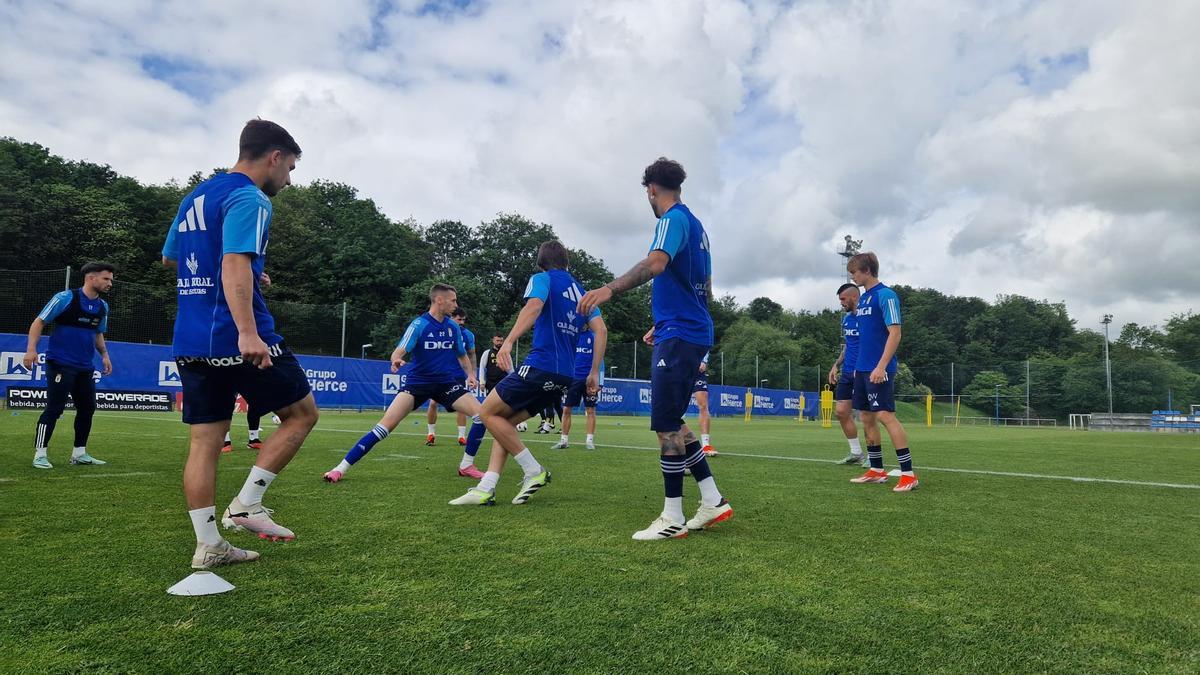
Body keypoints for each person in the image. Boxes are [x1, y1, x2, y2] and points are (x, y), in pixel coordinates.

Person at [163, 118, 320, 570]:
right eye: (289, 168)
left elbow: (173, 256)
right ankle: (247, 504)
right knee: (301, 414)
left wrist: (249, 271)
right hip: (237, 334)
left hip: (190, 337)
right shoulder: (249, 197)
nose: (288, 180)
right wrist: (248, 331)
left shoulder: (196, 195)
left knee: (204, 441)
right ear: (274, 157)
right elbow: (232, 263)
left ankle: (208, 545)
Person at [578, 157, 732, 540]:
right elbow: (705, 286)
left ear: (651, 189)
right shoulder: (697, 227)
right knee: (675, 422)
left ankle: (672, 518)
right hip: (685, 329)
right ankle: (713, 501)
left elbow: (656, 264)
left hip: (681, 334)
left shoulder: (671, 221)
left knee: (665, 426)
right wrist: (663, 321)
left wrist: (608, 289)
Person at [450, 241, 605, 506]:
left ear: (541, 262)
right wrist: (593, 372)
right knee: (505, 423)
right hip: (566, 376)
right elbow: (601, 330)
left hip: (541, 366)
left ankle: (534, 470)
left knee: (486, 412)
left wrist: (508, 341)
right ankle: (486, 486)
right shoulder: (581, 291)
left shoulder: (542, 278)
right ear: (566, 262)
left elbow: (533, 307)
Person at [324, 284, 485, 483]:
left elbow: (462, 355)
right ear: (439, 300)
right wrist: (396, 360)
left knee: (482, 416)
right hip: (418, 383)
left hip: (445, 383)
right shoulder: (419, 325)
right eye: (453, 300)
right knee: (384, 427)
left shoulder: (453, 327)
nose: (456, 304)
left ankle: (467, 465)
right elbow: (399, 351)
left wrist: (470, 374)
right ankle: (340, 469)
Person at [23, 262, 114, 469]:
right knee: (54, 408)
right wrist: (31, 350)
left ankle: (79, 454)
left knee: (88, 408)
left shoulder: (102, 306)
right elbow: (39, 322)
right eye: (106, 279)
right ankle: (40, 454)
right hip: (60, 364)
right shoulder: (65, 298)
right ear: (91, 278)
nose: (110, 283)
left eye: (111, 279)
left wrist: (105, 355)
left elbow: (98, 332)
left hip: (85, 367)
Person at [846, 252, 919, 492]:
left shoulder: (886, 295)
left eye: (854, 271)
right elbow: (864, 339)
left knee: (885, 416)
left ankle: (908, 474)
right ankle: (876, 470)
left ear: (866, 270)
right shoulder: (864, 299)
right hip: (863, 369)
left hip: (880, 368)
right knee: (866, 417)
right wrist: (859, 369)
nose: (852, 275)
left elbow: (895, 333)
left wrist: (880, 366)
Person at [828, 283, 868, 467]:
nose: (841, 303)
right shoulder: (846, 320)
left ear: (853, 297)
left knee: (868, 416)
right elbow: (848, 347)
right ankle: (856, 453)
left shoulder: (868, 318)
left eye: (843, 299)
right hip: (847, 373)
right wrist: (835, 366)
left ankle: (874, 458)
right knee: (841, 412)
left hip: (864, 372)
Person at [425, 307, 477, 446]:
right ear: (451, 318)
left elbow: (471, 354)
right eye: (459, 319)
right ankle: (430, 434)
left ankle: (461, 436)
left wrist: (472, 374)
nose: (461, 322)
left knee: (461, 406)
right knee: (433, 403)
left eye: (463, 320)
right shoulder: (441, 331)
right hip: (440, 374)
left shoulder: (468, 335)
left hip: (458, 374)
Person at [552, 326, 605, 450]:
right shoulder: (571, 335)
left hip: (589, 380)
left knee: (590, 410)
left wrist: (600, 382)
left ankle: (589, 441)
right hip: (572, 379)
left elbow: (600, 360)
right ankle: (564, 441)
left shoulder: (594, 337)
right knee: (566, 410)